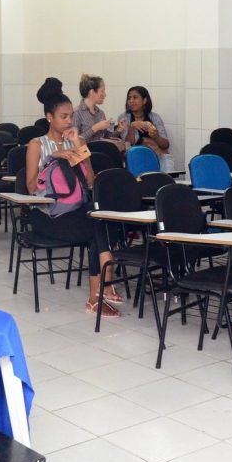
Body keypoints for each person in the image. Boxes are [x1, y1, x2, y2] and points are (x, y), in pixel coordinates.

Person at [26, 86, 119, 318]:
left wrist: (79, 147)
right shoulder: (37, 145)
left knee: (102, 221)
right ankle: (103, 287)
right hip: (47, 214)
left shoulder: (75, 142)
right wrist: (52, 157)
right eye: (63, 116)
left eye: (71, 116)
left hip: (74, 210)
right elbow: (31, 188)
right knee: (98, 228)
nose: (69, 121)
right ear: (50, 117)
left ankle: (96, 297)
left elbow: (90, 181)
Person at [122, 86, 173, 170]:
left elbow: (165, 145)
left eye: (135, 97)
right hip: (135, 158)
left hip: (157, 155)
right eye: (129, 98)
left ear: (144, 100)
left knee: (166, 159)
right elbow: (128, 144)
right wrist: (132, 126)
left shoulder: (155, 117)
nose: (131, 101)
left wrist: (157, 137)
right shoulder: (124, 118)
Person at [72, 74, 127, 145]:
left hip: (101, 149)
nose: (105, 95)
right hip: (86, 151)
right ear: (92, 92)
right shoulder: (76, 112)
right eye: (102, 91)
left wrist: (119, 130)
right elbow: (74, 141)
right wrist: (95, 128)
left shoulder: (100, 113)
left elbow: (106, 137)